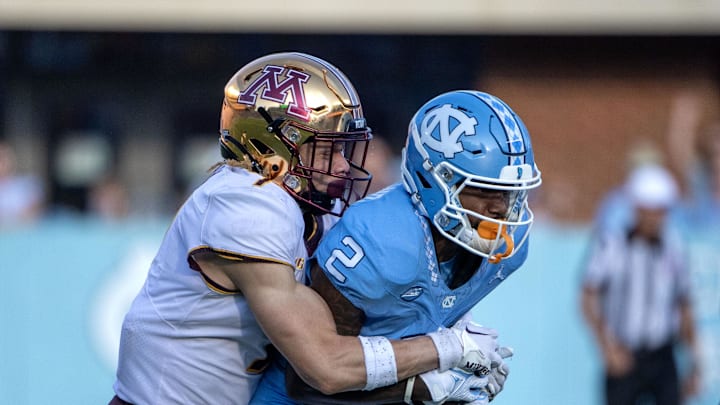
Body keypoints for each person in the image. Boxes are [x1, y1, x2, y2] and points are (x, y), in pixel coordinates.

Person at [110, 53, 499, 405]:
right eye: (329, 150)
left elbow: (374, 312)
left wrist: (455, 333)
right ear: (275, 148)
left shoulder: (302, 206)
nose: (344, 166)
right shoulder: (246, 204)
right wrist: (446, 349)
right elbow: (325, 366)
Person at [251, 89, 543, 404]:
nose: (501, 208)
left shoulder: (506, 251)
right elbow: (310, 382)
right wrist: (427, 385)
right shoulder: (382, 238)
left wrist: (465, 371)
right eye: (485, 190)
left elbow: (422, 318)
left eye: (511, 193)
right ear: (434, 180)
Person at [581, 164, 701, 405]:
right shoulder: (613, 244)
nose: (657, 219)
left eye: (662, 212)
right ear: (638, 209)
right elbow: (588, 296)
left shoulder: (673, 245)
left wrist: (694, 359)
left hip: (663, 355)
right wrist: (608, 347)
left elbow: (684, 303)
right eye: (652, 211)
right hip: (625, 353)